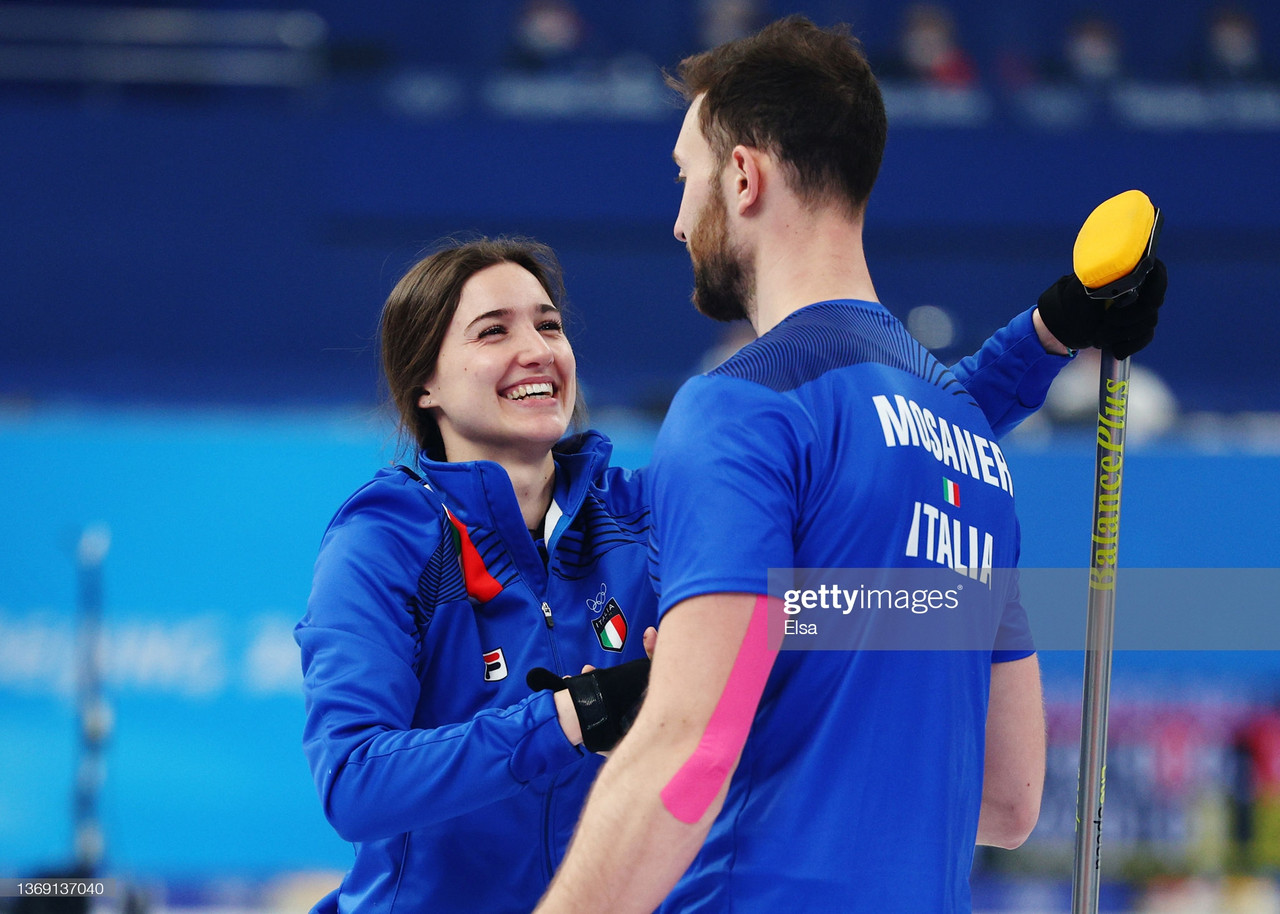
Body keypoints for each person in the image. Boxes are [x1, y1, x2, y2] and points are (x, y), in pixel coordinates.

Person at [295, 219, 1161, 910]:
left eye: (549, 325)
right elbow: (353, 780)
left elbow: (892, 426)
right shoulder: (388, 539)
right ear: (426, 386)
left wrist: (1051, 334)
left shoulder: (634, 515)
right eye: (493, 331)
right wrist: (569, 717)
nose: (537, 349)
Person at [535, 16, 1167, 914]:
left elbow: (689, 748)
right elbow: (1008, 797)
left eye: (687, 177)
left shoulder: (737, 406)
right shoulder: (970, 450)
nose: (678, 220)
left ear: (744, 177)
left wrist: (703, 693)